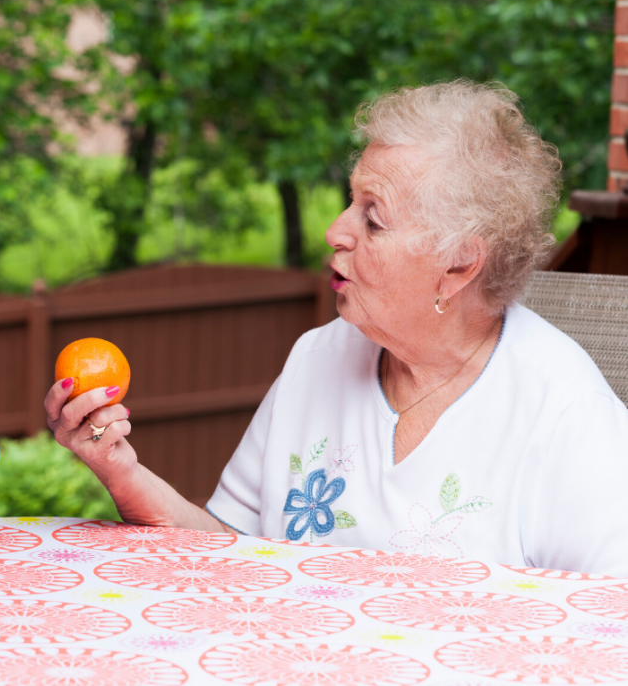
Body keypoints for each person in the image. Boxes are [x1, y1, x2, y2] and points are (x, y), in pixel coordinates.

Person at [47, 80, 628, 577]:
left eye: (372, 218)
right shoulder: (318, 357)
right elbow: (222, 548)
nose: (335, 230)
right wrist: (119, 468)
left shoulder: (565, 412)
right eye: (351, 201)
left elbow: (608, 621)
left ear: (459, 265)